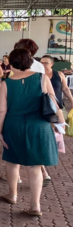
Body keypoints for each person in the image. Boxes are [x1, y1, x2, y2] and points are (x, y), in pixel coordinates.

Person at [0, 49, 63, 216]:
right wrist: (59, 123)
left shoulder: (6, 83)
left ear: (10, 63)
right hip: (39, 126)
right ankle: (35, 205)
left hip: (14, 124)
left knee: (12, 160)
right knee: (35, 166)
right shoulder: (42, 78)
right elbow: (54, 102)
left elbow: (1, 110)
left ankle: (12, 195)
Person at [40, 55, 73, 186]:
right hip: (44, 110)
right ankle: (44, 158)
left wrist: (71, 100)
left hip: (58, 109)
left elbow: (64, 89)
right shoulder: (38, 75)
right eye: (41, 62)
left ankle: (49, 152)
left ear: (52, 64)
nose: (43, 65)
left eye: (46, 63)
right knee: (46, 135)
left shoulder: (59, 74)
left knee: (57, 134)